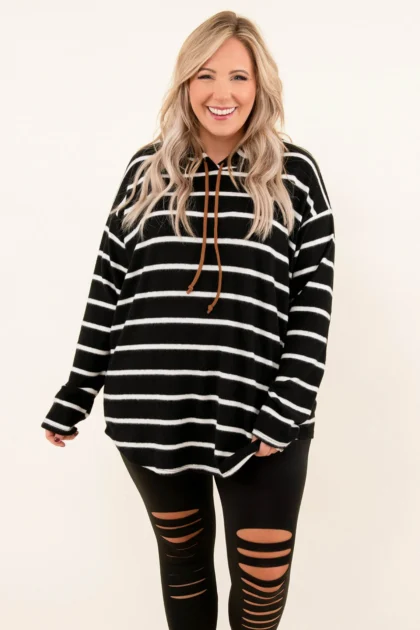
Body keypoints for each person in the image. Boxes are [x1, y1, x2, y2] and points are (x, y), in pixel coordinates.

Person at [41, 10, 335, 630]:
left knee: (262, 591)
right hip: (152, 410)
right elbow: (109, 288)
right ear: (184, 83)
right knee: (185, 571)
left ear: (261, 85)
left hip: (260, 418)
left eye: (238, 76)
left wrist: (286, 408)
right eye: (205, 75)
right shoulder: (145, 172)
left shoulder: (297, 175)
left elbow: (313, 304)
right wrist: (77, 392)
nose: (221, 93)